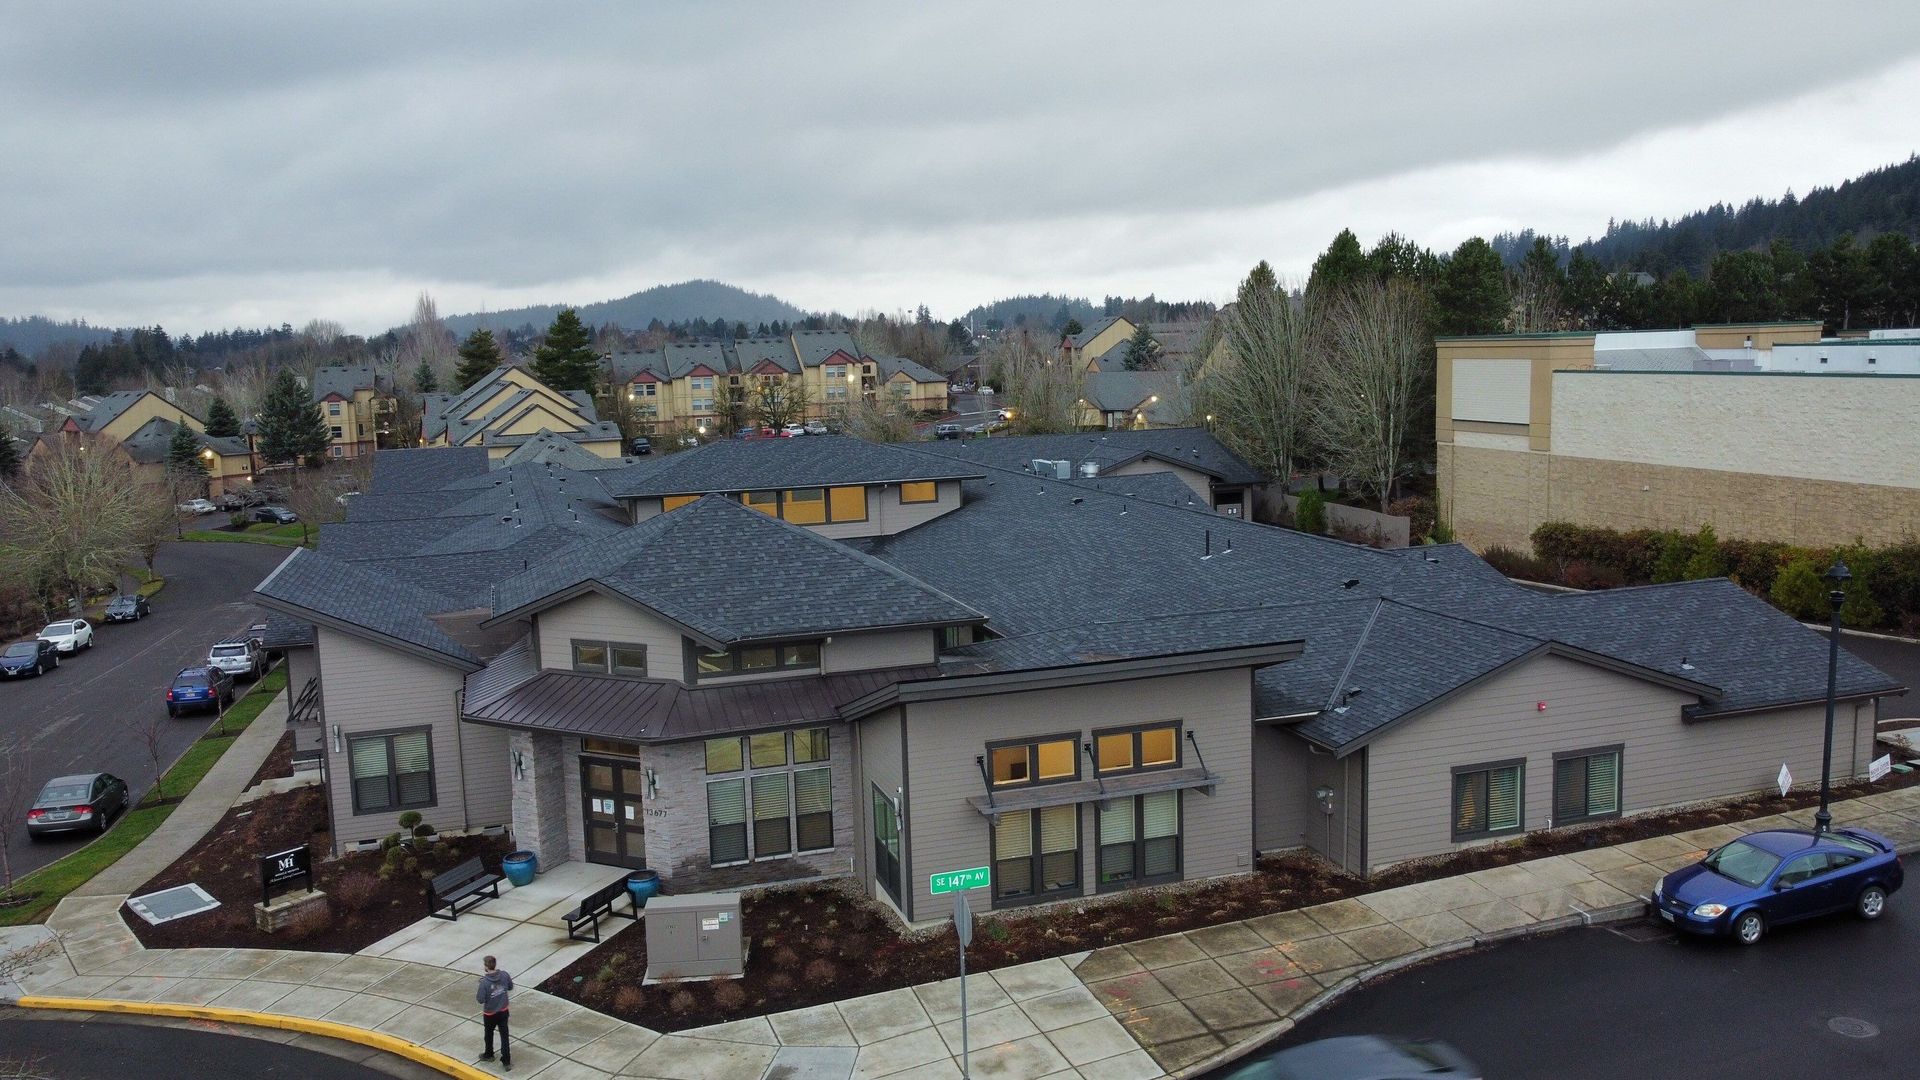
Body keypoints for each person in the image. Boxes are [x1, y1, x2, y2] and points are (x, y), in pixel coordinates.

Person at [476, 955, 512, 1070]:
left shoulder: (484, 983)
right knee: (504, 1036)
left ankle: (489, 1054)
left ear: (486, 967)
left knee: (489, 1034)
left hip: (490, 1014)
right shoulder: (505, 975)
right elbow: (510, 987)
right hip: (503, 1011)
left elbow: (480, 999)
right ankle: (506, 1061)